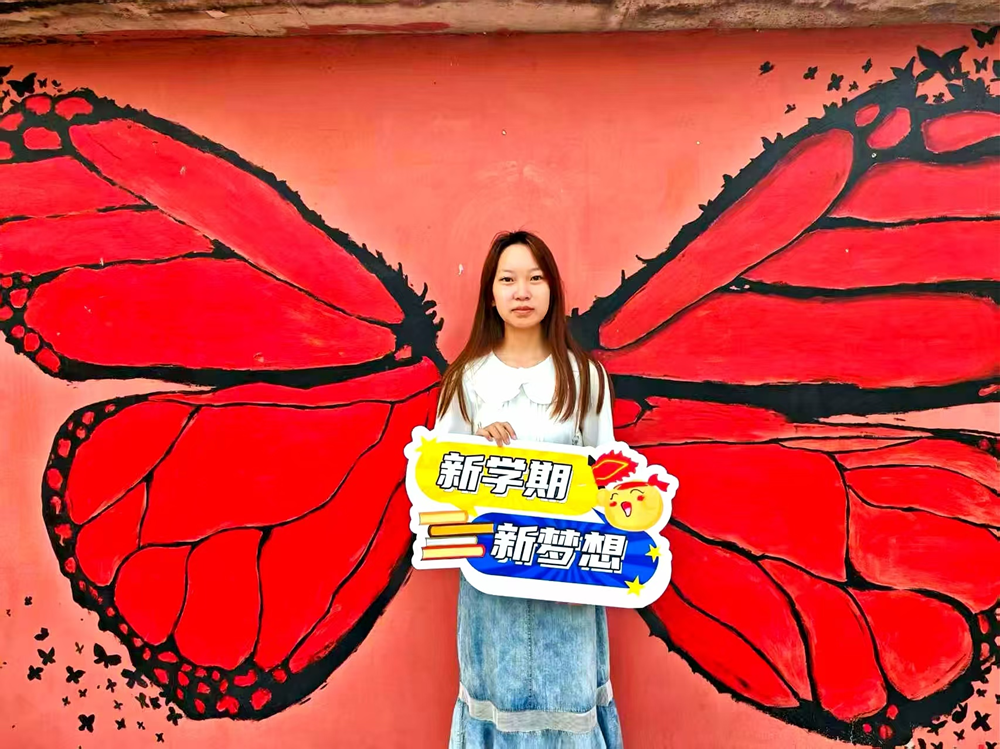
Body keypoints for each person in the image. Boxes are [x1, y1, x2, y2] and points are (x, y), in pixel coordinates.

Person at [435, 230, 624, 748]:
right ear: (491, 294)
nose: (522, 292)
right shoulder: (466, 380)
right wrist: (475, 453)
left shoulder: (585, 378)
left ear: (552, 289)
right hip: (490, 581)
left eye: (535, 278)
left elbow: (611, 479)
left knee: (569, 703)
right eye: (508, 279)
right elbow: (437, 486)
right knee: (496, 701)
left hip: (569, 579)